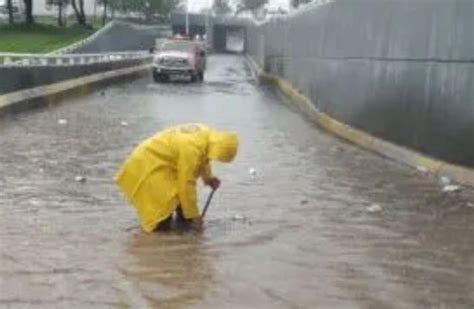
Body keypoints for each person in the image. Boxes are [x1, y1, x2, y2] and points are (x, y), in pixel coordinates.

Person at [115, 123, 239, 232]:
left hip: (158, 160)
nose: (214, 159)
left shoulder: (205, 135)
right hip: (148, 163)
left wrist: (209, 179)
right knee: (161, 215)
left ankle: (182, 230)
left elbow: (203, 160)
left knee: (180, 205)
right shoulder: (191, 148)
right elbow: (186, 184)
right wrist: (194, 216)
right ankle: (158, 246)